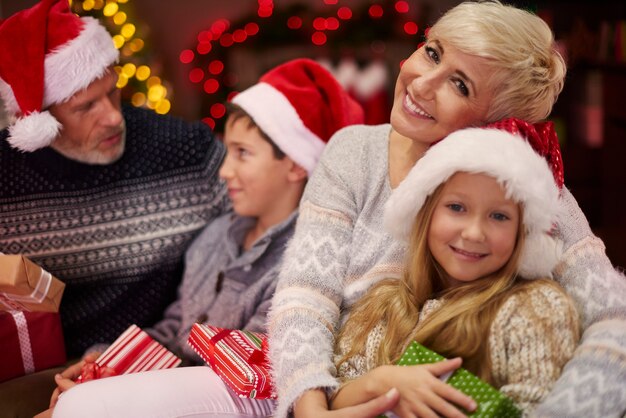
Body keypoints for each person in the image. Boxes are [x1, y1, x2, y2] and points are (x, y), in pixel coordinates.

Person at [268, 2, 626, 418]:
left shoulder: (528, 188)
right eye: (432, 53)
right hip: (334, 392)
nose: (421, 84)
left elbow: (615, 322)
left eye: (460, 85)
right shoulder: (353, 152)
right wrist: (311, 408)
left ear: (494, 124)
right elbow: (305, 296)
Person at [48, 58, 368, 417]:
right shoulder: (215, 237)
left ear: (295, 164)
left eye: (242, 153)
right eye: (227, 150)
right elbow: (177, 328)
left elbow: (245, 376)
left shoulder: (304, 263)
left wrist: (115, 386)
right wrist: (109, 360)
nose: (224, 170)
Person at [0, 0, 227, 416]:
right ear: (38, 120)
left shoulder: (185, 152)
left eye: (113, 92)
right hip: (41, 376)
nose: (112, 118)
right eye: (86, 107)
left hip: (158, 364)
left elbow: (257, 238)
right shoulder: (5, 179)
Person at [331, 121, 580, 417]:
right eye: (457, 208)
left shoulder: (535, 308)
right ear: (426, 213)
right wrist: (381, 383)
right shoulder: (381, 306)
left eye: (498, 216)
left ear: (520, 233)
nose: (474, 233)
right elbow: (331, 401)